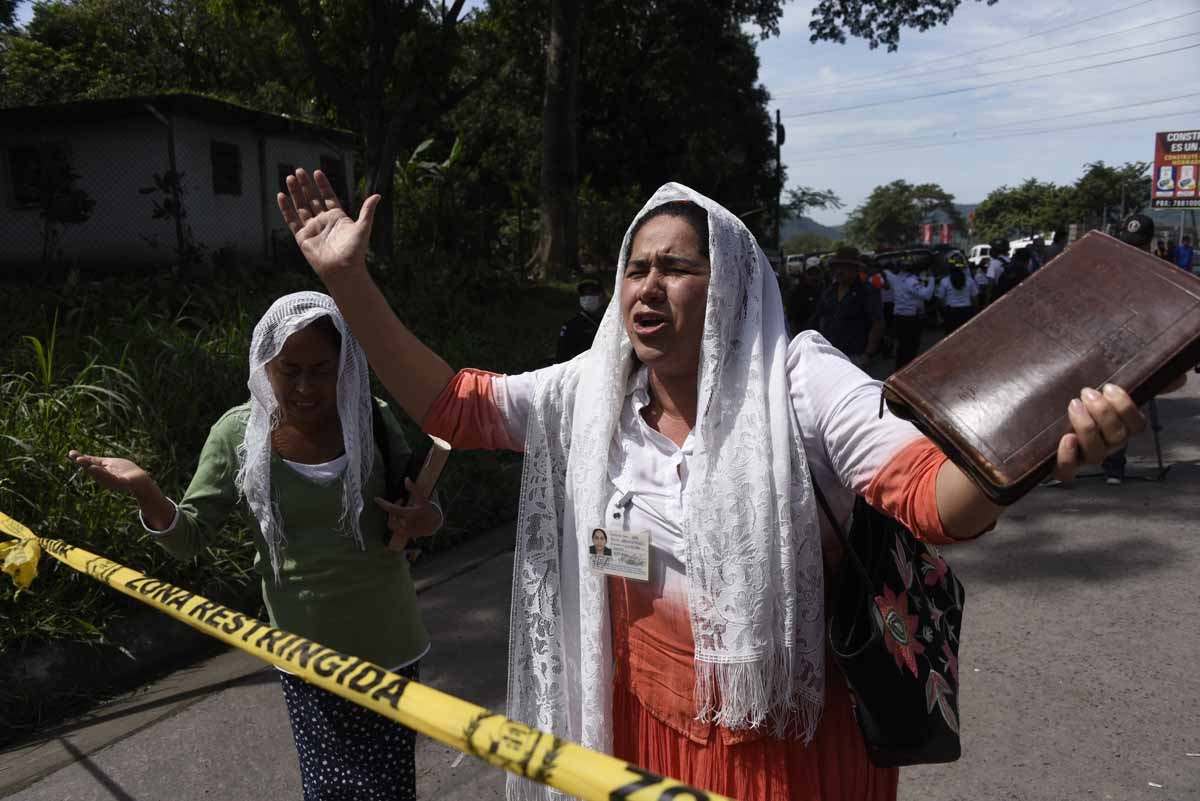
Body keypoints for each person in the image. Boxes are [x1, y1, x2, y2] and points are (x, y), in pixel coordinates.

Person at [277, 168, 1170, 801]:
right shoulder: (588, 394)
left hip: (781, 750)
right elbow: (454, 404)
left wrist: (1032, 460)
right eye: (635, 265)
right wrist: (349, 281)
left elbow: (928, 496)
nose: (648, 286)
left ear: (731, 284)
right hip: (635, 727)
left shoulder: (800, 380)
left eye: (676, 266)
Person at [68, 292, 441, 801]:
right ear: (264, 364)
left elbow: (425, 507)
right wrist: (146, 491)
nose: (305, 387)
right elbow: (190, 538)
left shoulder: (370, 419)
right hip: (303, 652)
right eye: (289, 370)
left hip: (391, 645)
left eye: (321, 370)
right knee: (332, 790)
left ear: (346, 365)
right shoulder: (237, 436)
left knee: (389, 790)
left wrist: (424, 518)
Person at [816, 247, 884, 366]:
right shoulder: (829, 292)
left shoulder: (867, 291)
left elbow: (877, 323)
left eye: (844, 267)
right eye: (837, 267)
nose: (839, 271)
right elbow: (821, 318)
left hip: (855, 356)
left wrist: (868, 354)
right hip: (829, 354)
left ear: (855, 269)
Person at [882, 256, 935, 370]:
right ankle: (908, 371)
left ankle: (899, 370)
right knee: (911, 347)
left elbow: (885, 271)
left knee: (901, 347)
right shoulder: (911, 281)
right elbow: (927, 295)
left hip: (898, 317)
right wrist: (931, 280)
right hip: (910, 319)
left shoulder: (895, 278)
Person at [558, 278, 606, 361]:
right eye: (584, 294)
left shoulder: (612, 320)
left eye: (592, 292)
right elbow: (561, 357)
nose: (587, 297)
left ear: (602, 295)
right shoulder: (571, 325)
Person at [935, 251, 978, 335]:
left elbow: (939, 300)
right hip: (967, 312)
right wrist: (975, 312)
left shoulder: (944, 281)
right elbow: (975, 299)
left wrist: (942, 313)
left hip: (951, 314)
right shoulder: (970, 281)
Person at [785, 256, 824, 337]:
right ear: (804, 274)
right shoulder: (796, 293)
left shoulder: (827, 292)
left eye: (816, 273)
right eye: (810, 273)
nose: (814, 277)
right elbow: (791, 318)